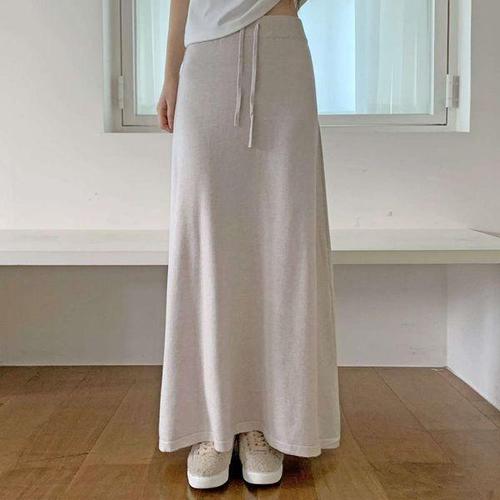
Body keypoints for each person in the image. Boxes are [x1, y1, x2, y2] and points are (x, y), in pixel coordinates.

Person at [157, 0, 340, 489]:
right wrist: (171, 71)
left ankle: (267, 420)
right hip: (206, 59)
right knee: (207, 242)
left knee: (284, 242)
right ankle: (211, 423)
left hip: (281, 53)